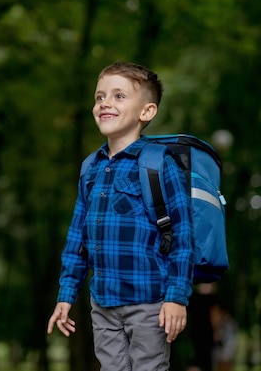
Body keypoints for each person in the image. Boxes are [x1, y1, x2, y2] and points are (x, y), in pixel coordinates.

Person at [46, 61, 194, 371]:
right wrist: (66, 295)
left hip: (150, 301)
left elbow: (182, 235)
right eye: (100, 97)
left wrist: (177, 296)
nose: (105, 104)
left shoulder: (159, 164)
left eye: (119, 96)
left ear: (147, 112)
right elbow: (77, 239)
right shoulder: (91, 168)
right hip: (102, 302)